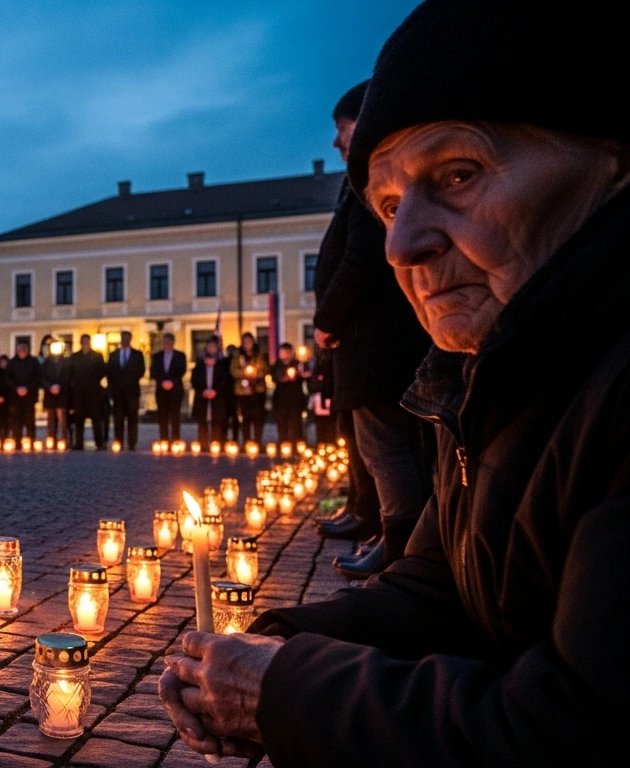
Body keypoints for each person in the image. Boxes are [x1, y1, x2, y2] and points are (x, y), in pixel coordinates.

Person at [162, 4, 630, 764]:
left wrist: (287, 692)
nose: (403, 245)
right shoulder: (489, 375)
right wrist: (280, 643)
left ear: (613, 161)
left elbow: (579, 728)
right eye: (386, 206)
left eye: (458, 174)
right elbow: (446, 590)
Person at [312, 80, 438, 577]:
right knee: (378, 446)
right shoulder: (361, 180)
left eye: (342, 130)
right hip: (369, 340)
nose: (337, 143)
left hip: (373, 342)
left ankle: (400, 548)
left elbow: (363, 258)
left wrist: (327, 320)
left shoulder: (375, 179)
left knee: (386, 449)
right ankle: (390, 536)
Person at [106, 331, 145, 450]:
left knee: (132, 419)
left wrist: (129, 380)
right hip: (118, 393)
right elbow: (109, 373)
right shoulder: (113, 355)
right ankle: (119, 441)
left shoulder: (137, 355)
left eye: (127, 338)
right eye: (123, 338)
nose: (125, 340)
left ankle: (132, 443)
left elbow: (141, 371)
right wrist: (111, 390)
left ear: (130, 339)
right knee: (118, 419)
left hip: (132, 392)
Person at [67, 334, 107, 449]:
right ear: (80, 342)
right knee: (78, 419)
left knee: (96, 419)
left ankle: (99, 443)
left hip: (94, 392)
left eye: (87, 341)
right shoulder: (74, 357)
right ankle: (78, 443)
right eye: (83, 341)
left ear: (89, 342)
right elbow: (70, 373)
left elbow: (102, 371)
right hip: (79, 393)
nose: (85, 343)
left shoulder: (97, 356)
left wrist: (94, 381)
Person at [229, 333, 269, 444]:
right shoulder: (238, 357)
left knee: (258, 417)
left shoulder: (260, 355)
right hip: (243, 391)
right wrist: (244, 373)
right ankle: (247, 441)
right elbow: (233, 371)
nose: (248, 344)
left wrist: (256, 373)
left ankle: (257, 441)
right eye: (245, 342)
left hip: (258, 391)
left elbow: (265, 369)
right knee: (246, 418)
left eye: (249, 342)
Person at [190, 337, 230, 446]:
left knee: (216, 421)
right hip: (202, 396)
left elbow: (225, 380)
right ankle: (203, 443)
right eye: (209, 346)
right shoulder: (200, 362)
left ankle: (215, 444)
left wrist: (216, 391)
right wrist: (203, 390)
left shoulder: (222, 363)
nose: (211, 349)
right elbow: (194, 379)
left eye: (213, 347)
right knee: (202, 422)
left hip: (217, 397)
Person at [150, 332, 186, 443]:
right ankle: (164, 439)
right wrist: (161, 382)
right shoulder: (157, 356)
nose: (166, 344)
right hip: (161, 391)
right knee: (162, 417)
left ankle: (176, 439)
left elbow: (181, 370)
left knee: (175, 416)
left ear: (172, 342)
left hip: (175, 390)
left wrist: (172, 382)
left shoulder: (180, 356)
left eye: (169, 342)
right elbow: (154, 371)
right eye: (164, 342)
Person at [269, 343, 307, 446]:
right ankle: (284, 448)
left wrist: (299, 374)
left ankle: (297, 447)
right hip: (280, 400)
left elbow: (304, 376)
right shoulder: (276, 366)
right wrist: (284, 377)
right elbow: (275, 378)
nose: (284, 354)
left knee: (296, 426)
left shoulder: (298, 364)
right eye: (282, 352)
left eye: (286, 352)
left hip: (295, 400)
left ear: (291, 353)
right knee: (282, 427)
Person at [4, 340, 40, 442]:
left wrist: (27, 388)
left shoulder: (33, 362)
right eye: (19, 348)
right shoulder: (11, 362)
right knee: (16, 420)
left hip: (30, 395)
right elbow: (8, 378)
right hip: (15, 396)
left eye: (24, 348)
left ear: (27, 349)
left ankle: (31, 439)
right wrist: (17, 388)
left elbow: (37, 377)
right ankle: (17, 441)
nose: (22, 350)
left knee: (30, 419)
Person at [39, 340, 67, 445]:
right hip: (50, 395)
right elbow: (42, 377)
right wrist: (50, 386)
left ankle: (64, 440)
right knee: (50, 419)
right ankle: (51, 439)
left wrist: (59, 385)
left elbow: (67, 376)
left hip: (61, 394)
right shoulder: (46, 362)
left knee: (62, 419)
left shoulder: (65, 362)